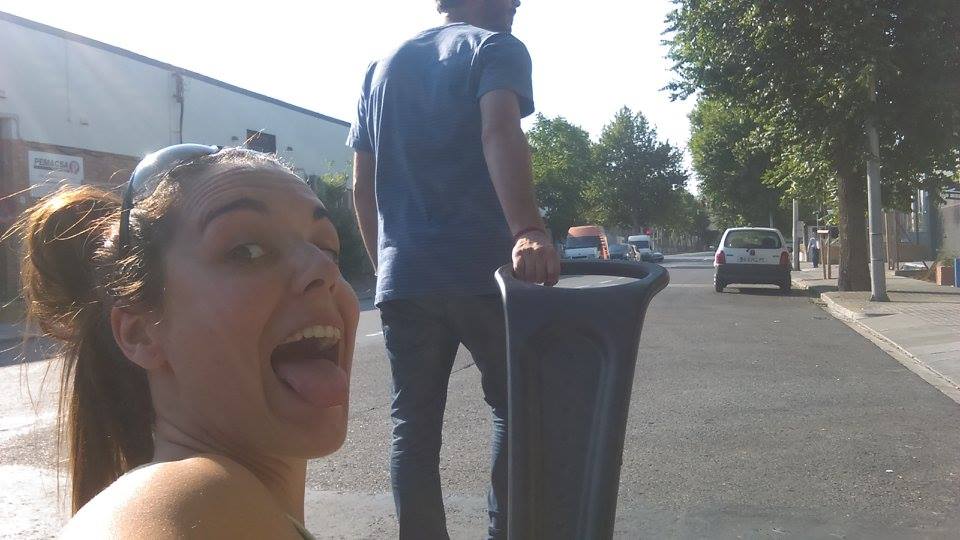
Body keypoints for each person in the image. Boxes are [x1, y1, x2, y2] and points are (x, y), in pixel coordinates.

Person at [14, 145, 359, 538]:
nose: (324, 269)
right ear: (140, 332)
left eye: (327, 249)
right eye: (247, 251)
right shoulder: (192, 503)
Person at [347, 0, 559, 537]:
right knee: (516, 407)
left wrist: (386, 266)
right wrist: (528, 229)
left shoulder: (379, 68)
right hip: (483, 275)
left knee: (413, 428)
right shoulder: (494, 48)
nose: (517, 6)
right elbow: (499, 132)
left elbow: (362, 184)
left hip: (405, 278)